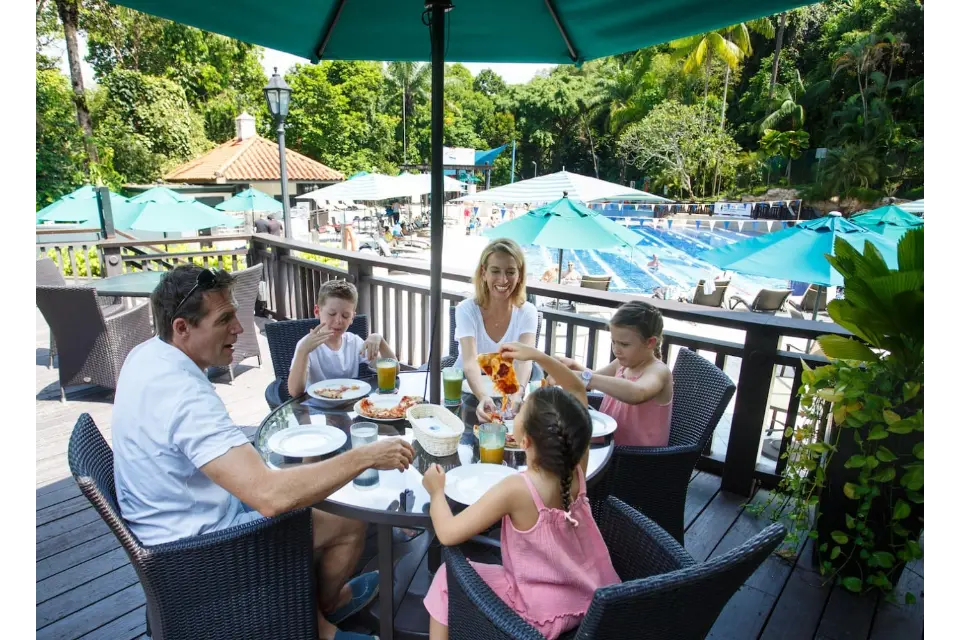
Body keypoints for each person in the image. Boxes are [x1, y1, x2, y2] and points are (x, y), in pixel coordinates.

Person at [111, 265, 414, 640]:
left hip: (168, 527)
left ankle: (314, 609)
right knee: (350, 519)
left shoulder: (146, 354)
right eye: (225, 319)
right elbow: (270, 497)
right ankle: (321, 623)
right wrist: (366, 456)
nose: (239, 328)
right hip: (199, 551)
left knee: (319, 494)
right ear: (181, 328)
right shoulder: (184, 395)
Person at [422, 343, 621, 640]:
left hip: (540, 614)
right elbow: (578, 390)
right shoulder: (576, 465)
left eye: (520, 411)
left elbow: (448, 533)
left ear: (523, 441)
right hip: (590, 597)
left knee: (444, 580)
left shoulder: (518, 489)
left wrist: (436, 492)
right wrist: (539, 357)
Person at [556, 300, 673, 447]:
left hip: (636, 459)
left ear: (650, 343)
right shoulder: (622, 364)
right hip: (610, 446)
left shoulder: (659, 371)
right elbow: (597, 376)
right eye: (614, 342)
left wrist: (584, 378)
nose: (616, 350)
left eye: (624, 344)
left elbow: (637, 392)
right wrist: (574, 366)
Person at [455, 238, 538, 422]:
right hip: (464, 394)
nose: (503, 280)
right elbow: (470, 361)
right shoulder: (466, 310)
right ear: (484, 273)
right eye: (495, 271)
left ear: (520, 276)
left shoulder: (528, 312)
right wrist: (483, 396)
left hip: (509, 394)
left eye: (510, 272)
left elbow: (525, 361)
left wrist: (519, 393)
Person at [288, 280, 395, 398]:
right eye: (332, 314)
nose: (338, 321)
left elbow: (394, 371)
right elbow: (295, 392)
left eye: (345, 316)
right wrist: (303, 352)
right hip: (316, 409)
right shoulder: (307, 345)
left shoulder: (354, 342)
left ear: (352, 317)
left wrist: (380, 340)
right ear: (317, 311)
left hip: (349, 406)